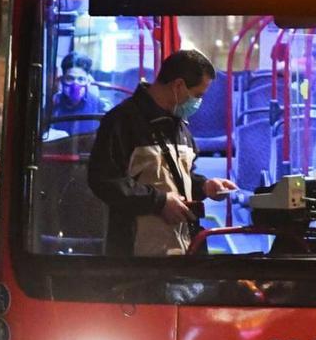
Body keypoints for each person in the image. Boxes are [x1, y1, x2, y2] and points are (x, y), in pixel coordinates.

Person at [88, 49, 237, 256]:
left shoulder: (179, 125)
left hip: (181, 250)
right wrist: (159, 202)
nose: (198, 103)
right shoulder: (122, 121)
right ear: (178, 86)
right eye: (198, 95)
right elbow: (104, 180)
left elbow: (175, 178)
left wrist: (205, 186)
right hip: (138, 258)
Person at [49, 52, 110, 136]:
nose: (75, 85)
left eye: (81, 79)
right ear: (62, 80)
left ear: (88, 82)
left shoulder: (100, 106)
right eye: (70, 78)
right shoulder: (51, 104)